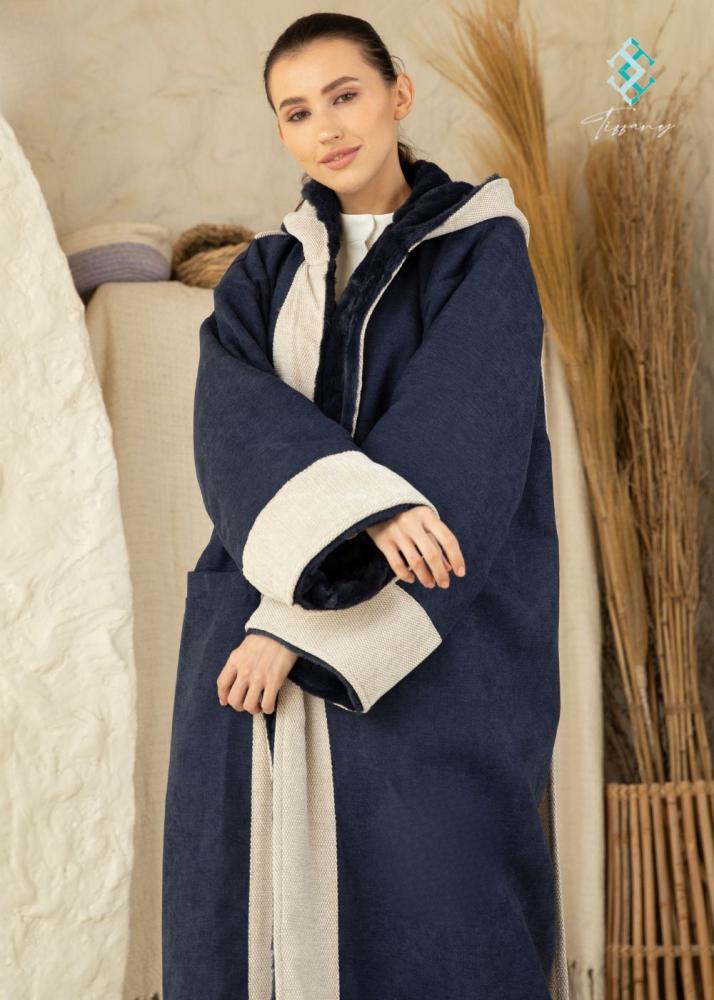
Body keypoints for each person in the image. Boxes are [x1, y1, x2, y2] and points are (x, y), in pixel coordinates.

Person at [162, 12, 565, 1000]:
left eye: (345, 95)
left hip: (433, 636)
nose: (327, 127)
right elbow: (234, 430)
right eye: (297, 112)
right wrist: (318, 564)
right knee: (242, 906)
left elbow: (465, 429)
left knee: (443, 900)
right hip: (254, 624)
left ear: (398, 95)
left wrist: (303, 615)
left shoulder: (481, 253)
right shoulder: (262, 275)